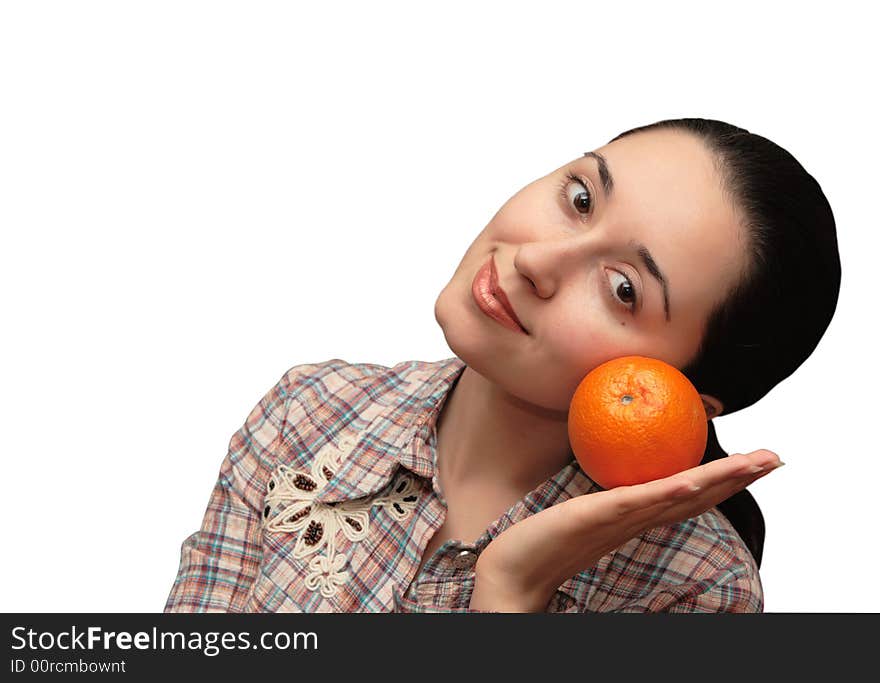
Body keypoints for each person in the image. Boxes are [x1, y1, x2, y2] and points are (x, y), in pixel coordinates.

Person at [163, 118, 841, 613]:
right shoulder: (310, 410)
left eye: (624, 288)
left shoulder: (696, 588)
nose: (537, 260)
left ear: (688, 395)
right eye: (580, 199)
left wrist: (513, 594)